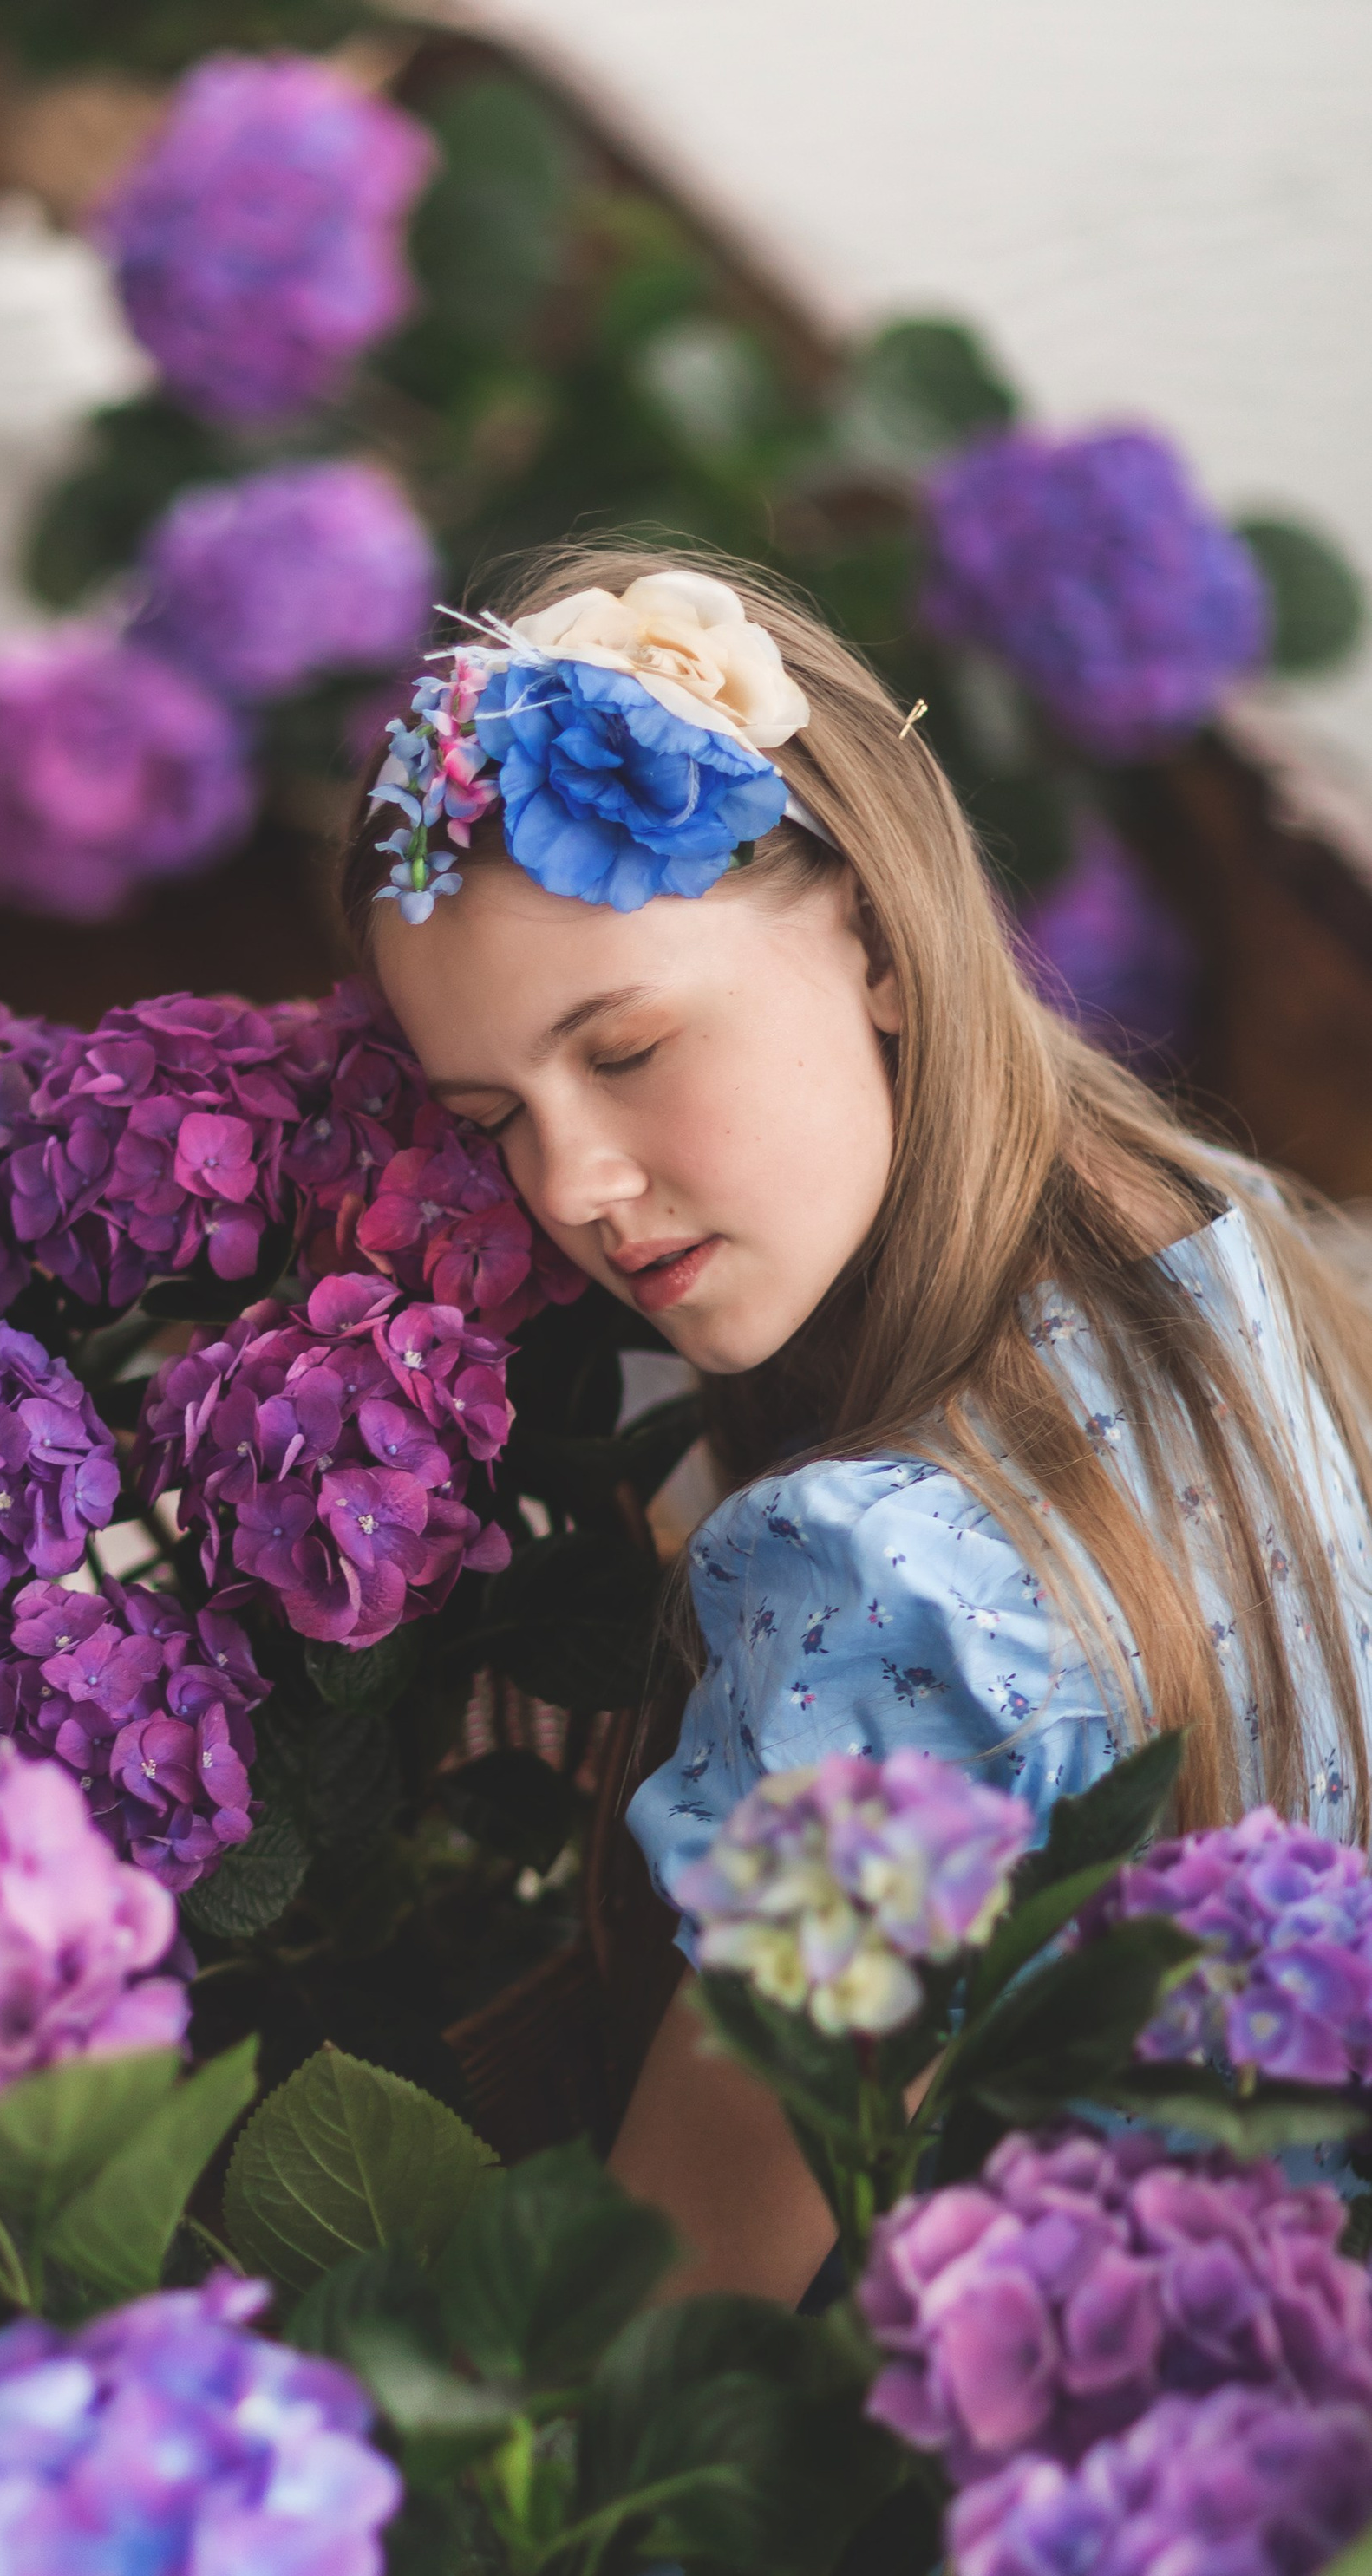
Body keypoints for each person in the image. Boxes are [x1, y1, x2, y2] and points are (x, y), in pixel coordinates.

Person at [350, 548, 1372, 2314]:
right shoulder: (1230, 1238)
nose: (570, 1189)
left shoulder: (864, 1580)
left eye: (628, 1047)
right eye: (487, 1114)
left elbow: (685, 2331)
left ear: (883, 943)